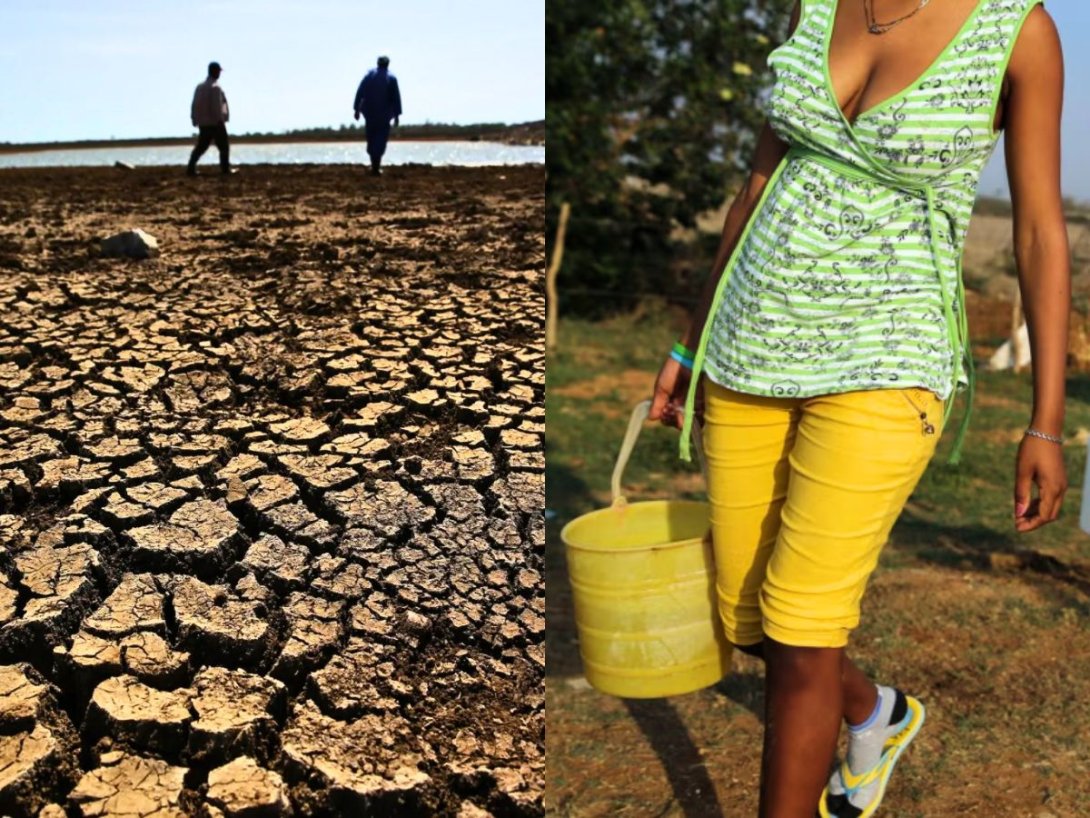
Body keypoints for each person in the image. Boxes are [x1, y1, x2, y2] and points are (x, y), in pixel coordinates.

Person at [649, 1, 1068, 816]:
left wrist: (1044, 419)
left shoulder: (1021, 31)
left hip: (890, 359)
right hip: (749, 347)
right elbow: (756, 184)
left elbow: (1041, 234)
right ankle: (876, 711)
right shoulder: (818, 4)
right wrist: (691, 344)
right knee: (749, 623)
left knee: (803, 630)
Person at [353, 56, 403, 175]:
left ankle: (374, 167)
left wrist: (357, 109)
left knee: (371, 139)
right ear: (388, 64)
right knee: (380, 141)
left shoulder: (369, 76)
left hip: (370, 114)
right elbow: (396, 98)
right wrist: (396, 115)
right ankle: (375, 167)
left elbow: (360, 93)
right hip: (384, 116)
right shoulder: (391, 78)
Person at [188, 61, 232, 176]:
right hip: (215, 122)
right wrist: (220, 119)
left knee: (201, 146)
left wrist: (194, 118)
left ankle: (190, 168)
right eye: (218, 71)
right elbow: (217, 106)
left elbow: (194, 104)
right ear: (215, 72)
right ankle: (225, 169)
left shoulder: (200, 87)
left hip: (204, 123)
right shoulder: (216, 88)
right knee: (224, 147)